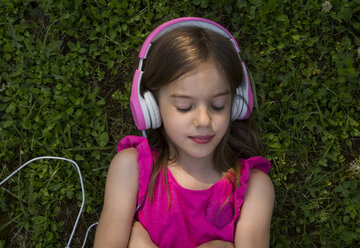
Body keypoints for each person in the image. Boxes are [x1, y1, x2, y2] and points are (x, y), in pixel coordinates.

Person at [94, 17, 275, 248]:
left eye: (218, 105)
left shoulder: (254, 189)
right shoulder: (131, 169)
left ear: (236, 105)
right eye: (184, 107)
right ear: (151, 106)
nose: (203, 121)